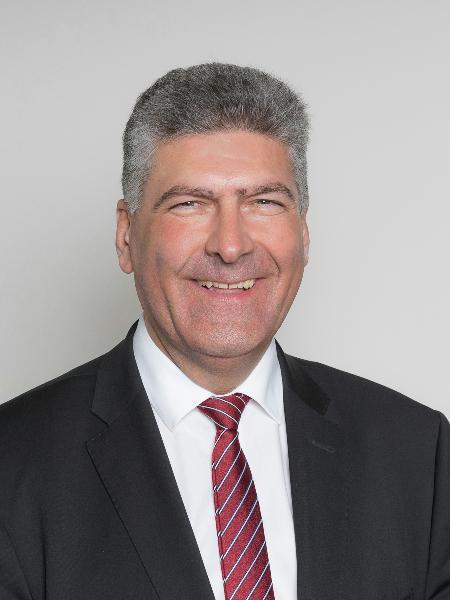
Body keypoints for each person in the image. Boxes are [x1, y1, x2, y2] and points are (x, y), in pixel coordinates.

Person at [0, 63, 449, 600]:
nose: (231, 246)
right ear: (126, 236)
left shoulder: (418, 453)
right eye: (190, 203)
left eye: (264, 202)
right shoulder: (13, 463)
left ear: (303, 233)